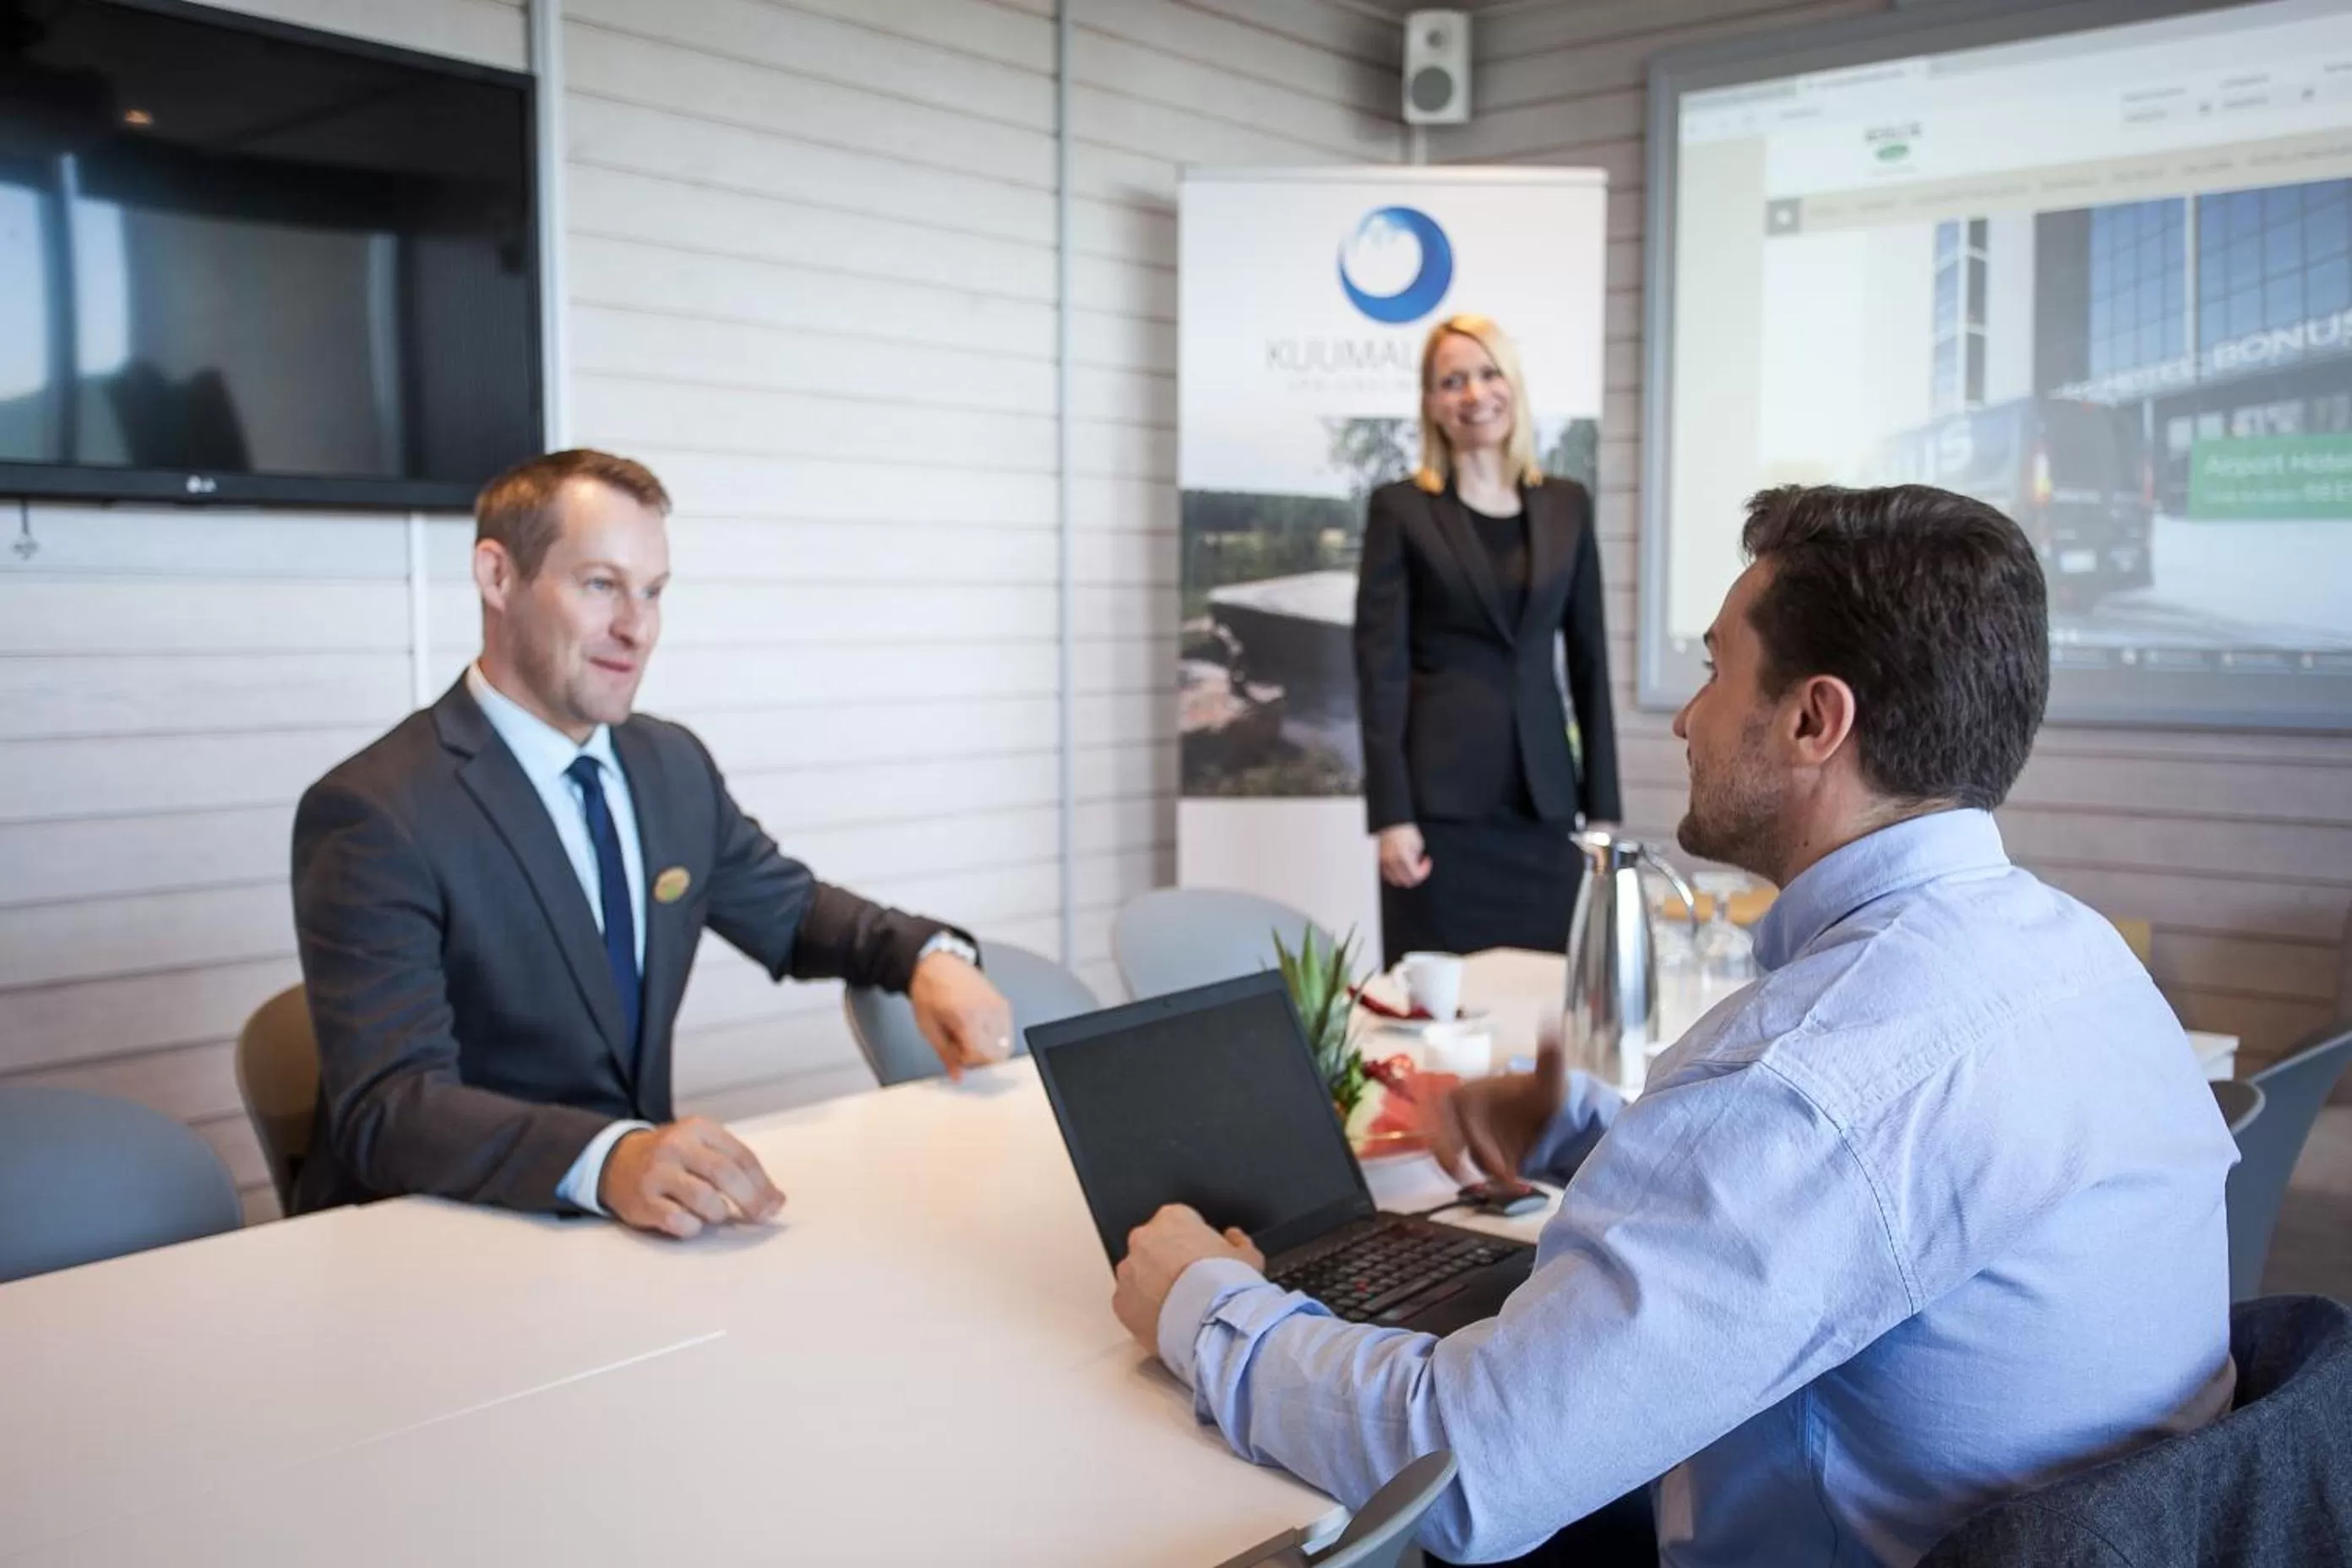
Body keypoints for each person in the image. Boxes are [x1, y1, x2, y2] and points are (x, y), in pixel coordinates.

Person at [1113, 484, 2239, 1565]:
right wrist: (1586, 1129)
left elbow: (1472, 1469)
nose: (1690, 719)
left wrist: (1202, 1307)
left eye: (1715, 671)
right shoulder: (2076, 955)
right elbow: (1836, 1206)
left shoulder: (1808, 1082)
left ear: (1813, 718)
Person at [290, 449, 1013, 1236]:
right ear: (499, 578)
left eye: (654, 593)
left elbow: (794, 914)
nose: (635, 628)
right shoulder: (372, 811)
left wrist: (925, 956)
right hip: (444, 1242)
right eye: (600, 585)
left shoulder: (667, 764)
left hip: (632, 1237)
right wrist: (611, 1159)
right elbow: (391, 1109)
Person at [1354, 313, 1620, 968]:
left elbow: (1589, 659)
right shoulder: (1401, 508)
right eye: (1452, 380)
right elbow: (1378, 668)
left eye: (1488, 372)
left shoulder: (1567, 504)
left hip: (1547, 810)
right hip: (1440, 815)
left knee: (1548, 1006)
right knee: (1438, 1019)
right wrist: (1392, 816)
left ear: (1513, 385)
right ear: (1431, 403)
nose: (1474, 394)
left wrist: (1604, 808)